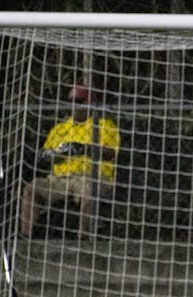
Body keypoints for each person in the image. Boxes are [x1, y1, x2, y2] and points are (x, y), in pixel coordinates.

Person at [20, 84, 120, 238]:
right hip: (60, 179)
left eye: (79, 101)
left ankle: (83, 241)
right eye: (71, 101)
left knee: (89, 193)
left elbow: (111, 153)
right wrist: (51, 154)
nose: (74, 106)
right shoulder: (60, 129)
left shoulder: (104, 126)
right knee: (31, 189)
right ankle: (26, 239)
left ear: (89, 103)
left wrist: (84, 148)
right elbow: (41, 156)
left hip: (92, 177)